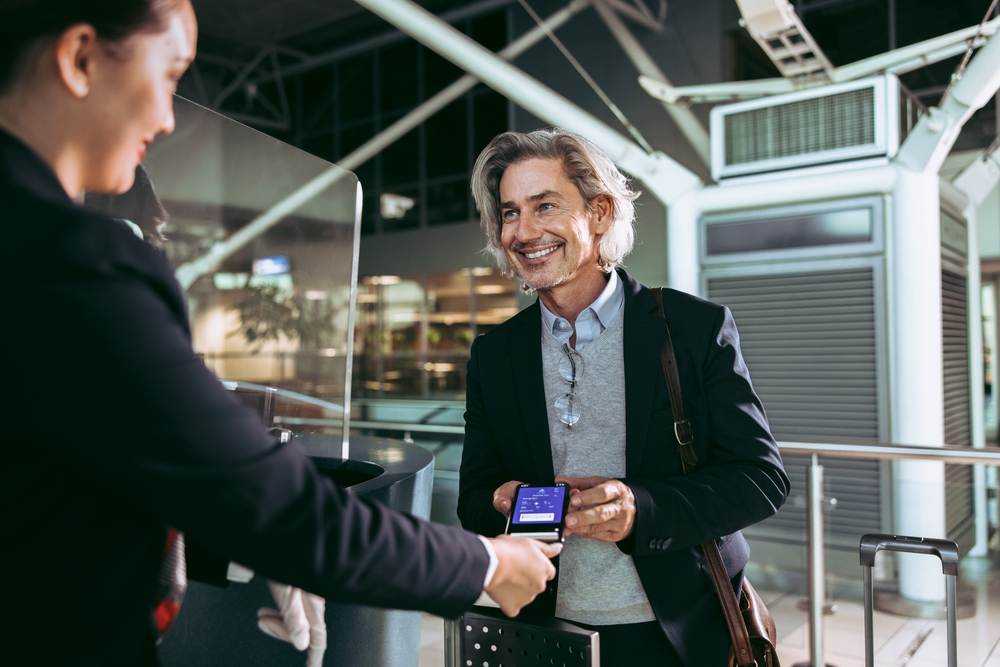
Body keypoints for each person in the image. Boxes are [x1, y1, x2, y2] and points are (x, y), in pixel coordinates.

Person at [0, 2, 561, 664]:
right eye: (171, 75)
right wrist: (486, 561)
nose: (169, 116)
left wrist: (234, 539)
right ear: (81, 58)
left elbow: (57, 474)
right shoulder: (70, 260)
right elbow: (280, 509)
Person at [459, 129, 790, 667]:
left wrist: (641, 510)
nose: (524, 230)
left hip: (676, 631)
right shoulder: (495, 354)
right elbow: (472, 496)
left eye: (546, 205)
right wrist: (502, 500)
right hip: (545, 632)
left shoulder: (690, 328)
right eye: (511, 212)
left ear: (600, 212)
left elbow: (761, 478)